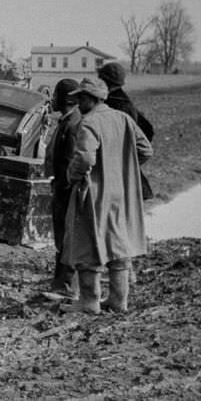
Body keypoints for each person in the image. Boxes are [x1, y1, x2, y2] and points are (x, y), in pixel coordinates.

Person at [61, 77, 153, 315]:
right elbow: (145, 150)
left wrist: (72, 176)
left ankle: (89, 301)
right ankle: (118, 301)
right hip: (121, 192)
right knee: (117, 243)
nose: (78, 102)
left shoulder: (89, 122)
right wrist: (123, 167)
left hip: (93, 192)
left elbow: (85, 158)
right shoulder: (124, 119)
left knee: (86, 244)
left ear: (92, 99)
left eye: (81, 98)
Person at [42, 78, 81, 300]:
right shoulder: (67, 122)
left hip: (66, 191)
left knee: (67, 238)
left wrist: (62, 186)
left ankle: (65, 286)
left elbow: (70, 162)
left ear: (65, 98)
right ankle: (60, 284)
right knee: (62, 238)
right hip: (62, 188)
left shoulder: (72, 125)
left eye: (55, 94)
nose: (52, 99)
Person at [98, 61, 156, 200]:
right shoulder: (126, 102)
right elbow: (148, 130)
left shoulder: (112, 104)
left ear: (106, 82)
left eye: (101, 79)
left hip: (116, 172)